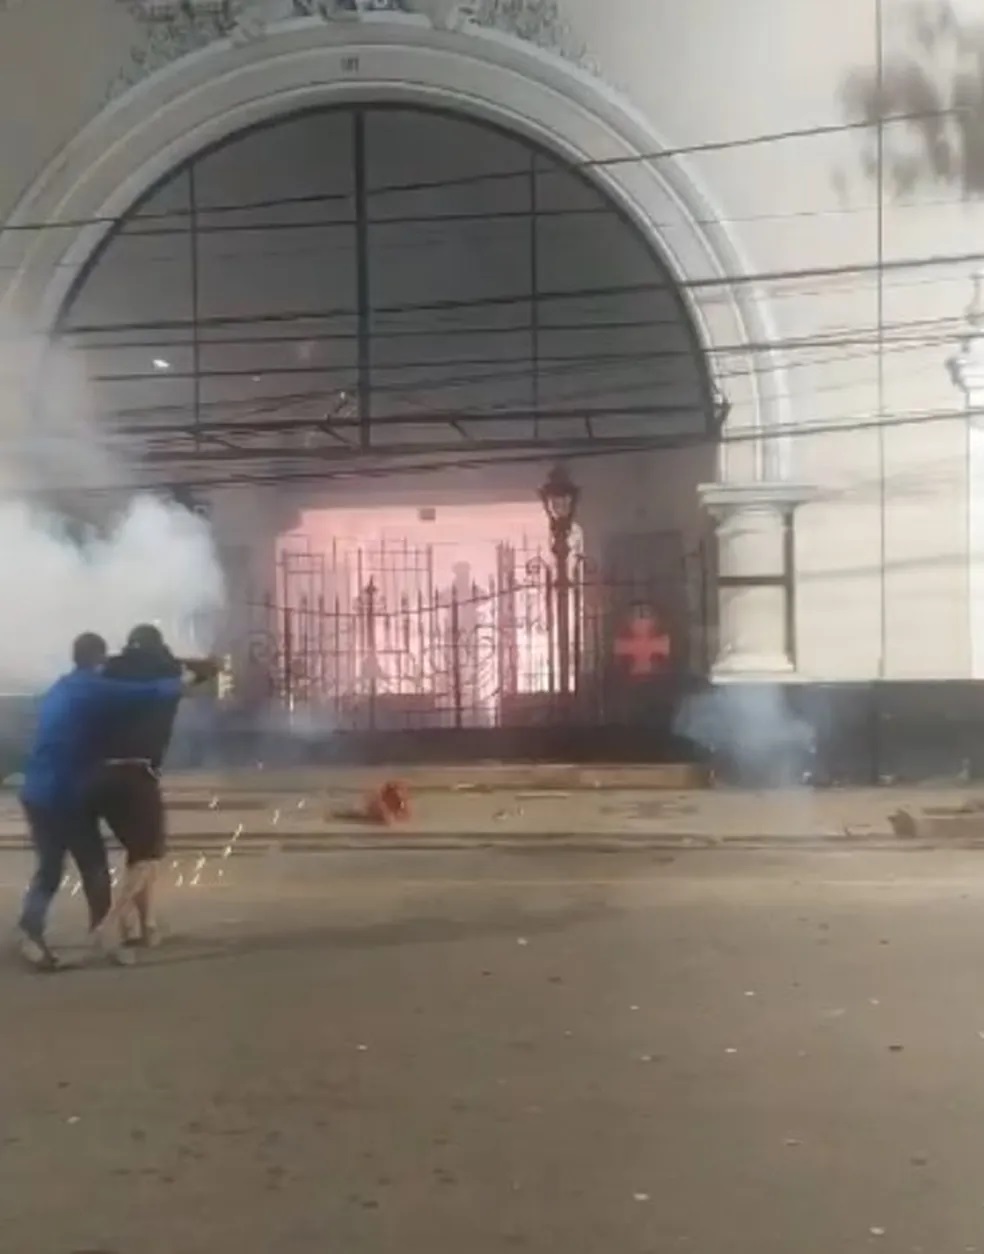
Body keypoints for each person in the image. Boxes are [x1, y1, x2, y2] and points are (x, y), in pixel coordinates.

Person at [15, 632, 191, 971]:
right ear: (97, 660)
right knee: (94, 867)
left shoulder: (60, 688)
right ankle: (106, 938)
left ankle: (30, 930)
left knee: (50, 870)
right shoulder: (92, 688)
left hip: (36, 790)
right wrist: (181, 681)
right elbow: (147, 693)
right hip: (63, 793)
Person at [89, 624, 216, 949]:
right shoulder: (166, 679)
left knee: (138, 854)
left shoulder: (111, 674)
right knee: (148, 855)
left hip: (98, 773)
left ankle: (145, 926)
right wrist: (178, 661)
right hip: (136, 775)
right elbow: (208, 670)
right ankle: (112, 922)